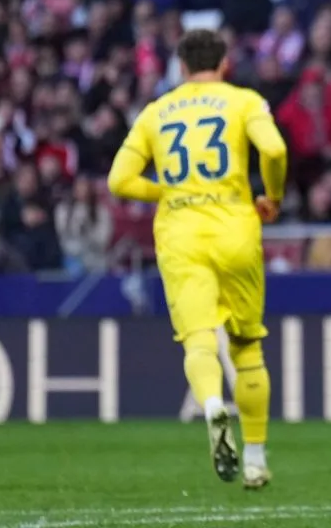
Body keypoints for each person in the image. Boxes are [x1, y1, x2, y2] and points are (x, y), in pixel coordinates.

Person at [107, 28, 288, 490]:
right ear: (225, 64)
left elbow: (119, 181)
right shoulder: (244, 100)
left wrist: (167, 189)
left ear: (182, 68)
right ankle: (255, 458)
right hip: (235, 226)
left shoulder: (155, 112)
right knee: (247, 346)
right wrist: (272, 195)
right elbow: (273, 149)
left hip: (180, 232)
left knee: (199, 340)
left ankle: (211, 405)